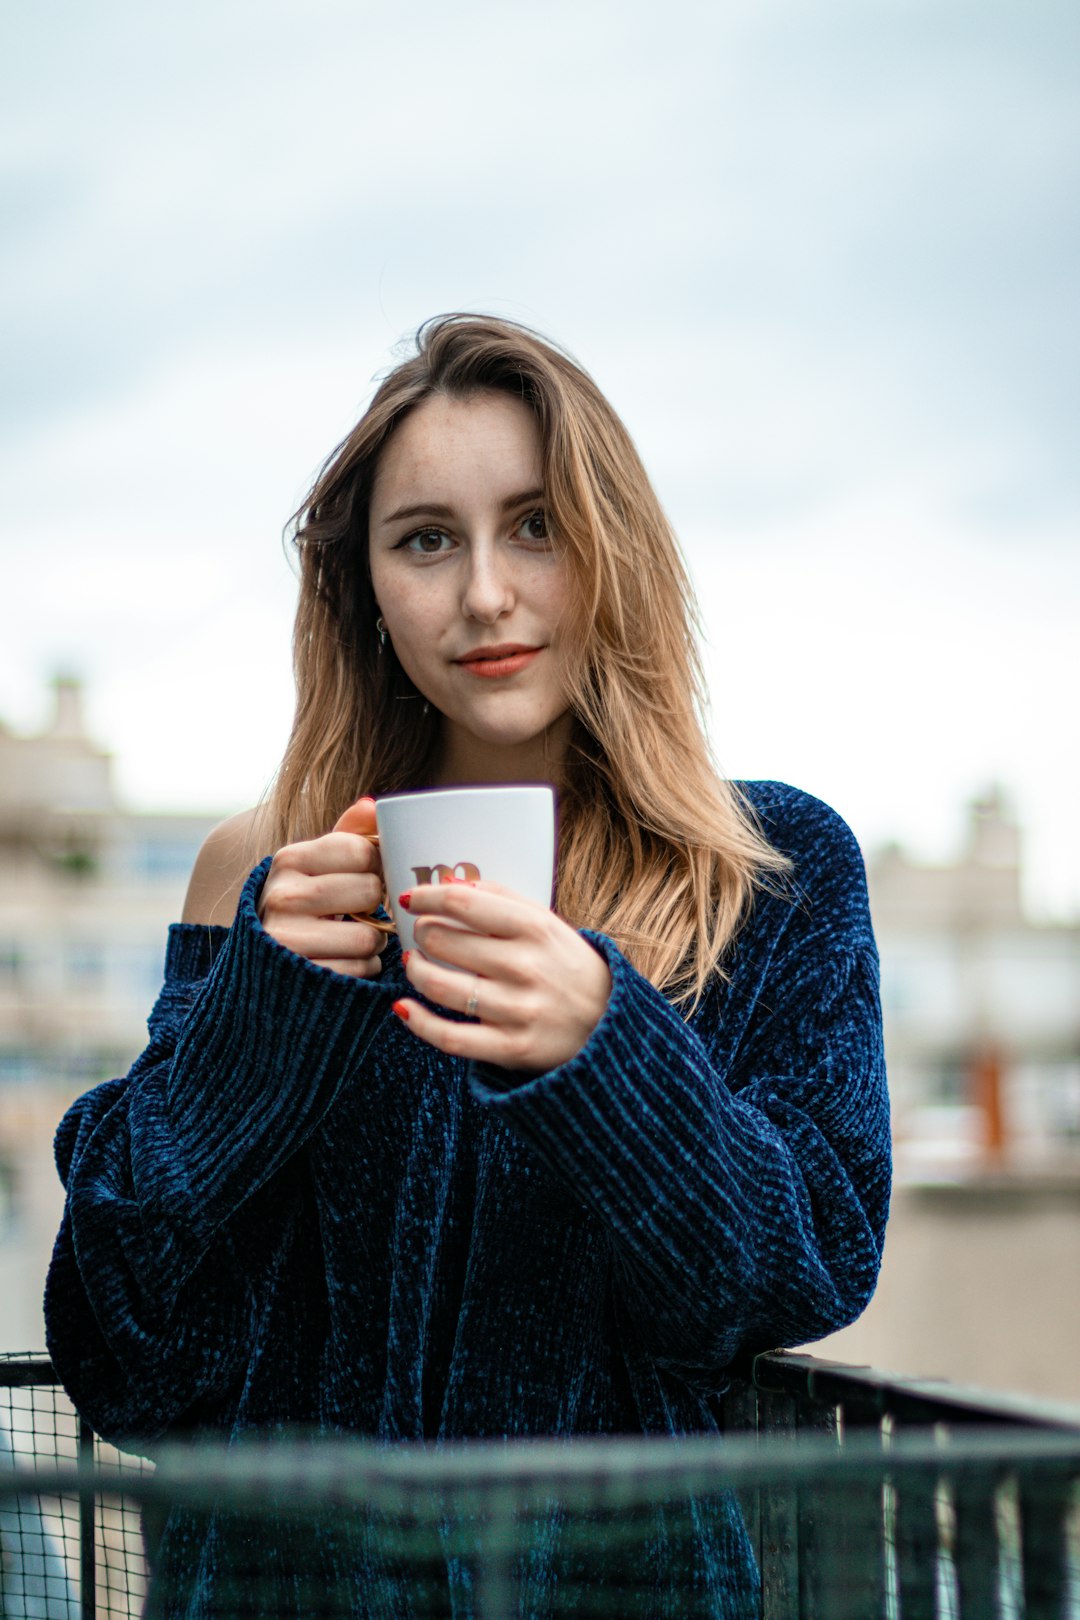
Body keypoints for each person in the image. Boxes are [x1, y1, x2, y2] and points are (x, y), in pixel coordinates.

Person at [44, 315, 890, 1617]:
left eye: (536, 524)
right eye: (426, 538)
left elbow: (802, 1268)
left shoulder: (765, 868)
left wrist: (607, 1054)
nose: (485, 592)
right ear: (364, 586)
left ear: (613, 552)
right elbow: (128, 1358)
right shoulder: (263, 872)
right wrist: (252, 1043)